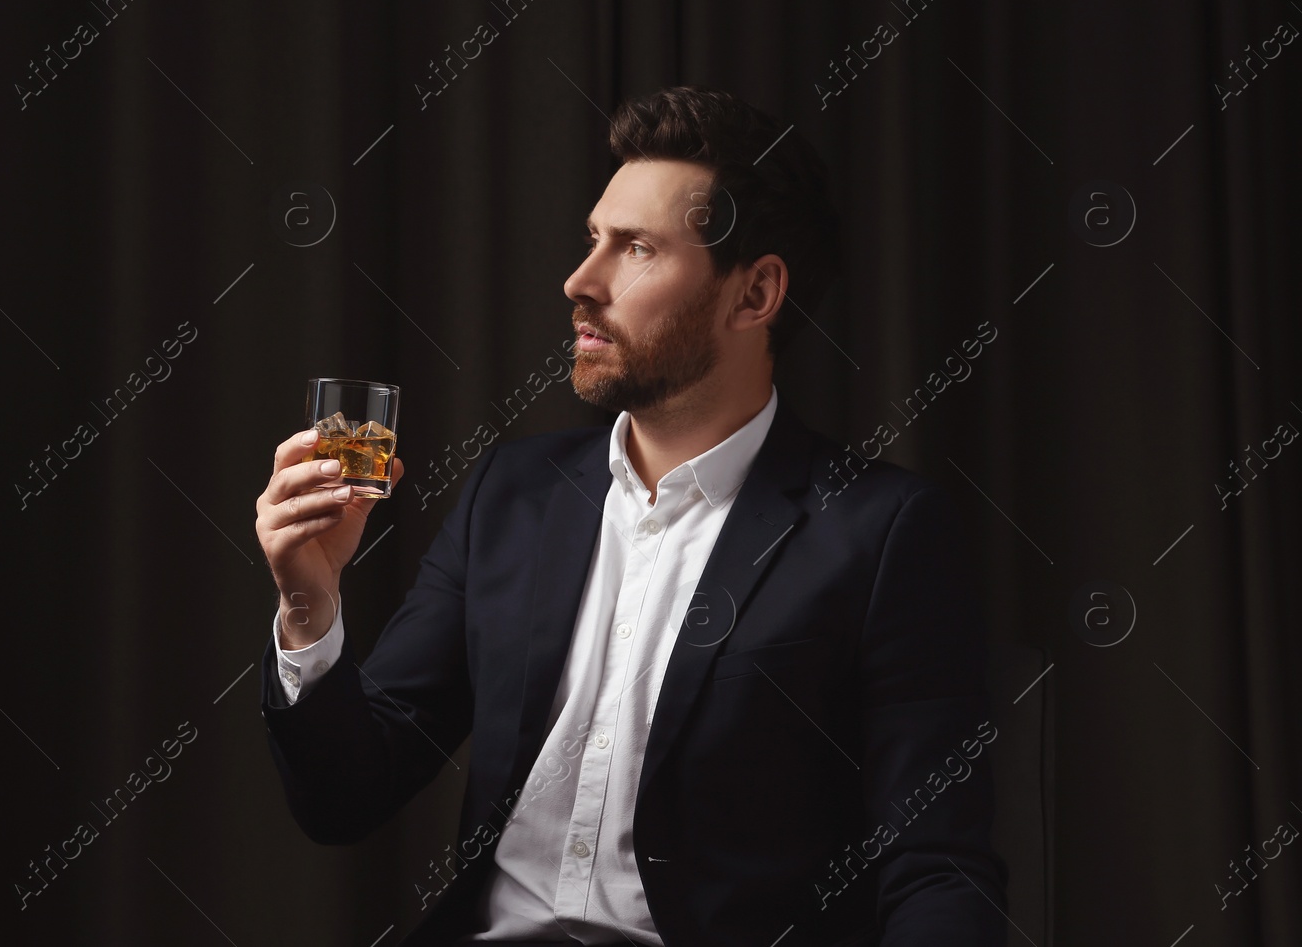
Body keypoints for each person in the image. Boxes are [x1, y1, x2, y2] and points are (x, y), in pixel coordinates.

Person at [254, 86, 1008, 946]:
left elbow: (935, 862)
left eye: (637, 248)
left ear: (755, 292)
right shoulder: (514, 493)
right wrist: (308, 604)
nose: (581, 281)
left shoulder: (880, 531)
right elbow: (347, 793)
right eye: (593, 240)